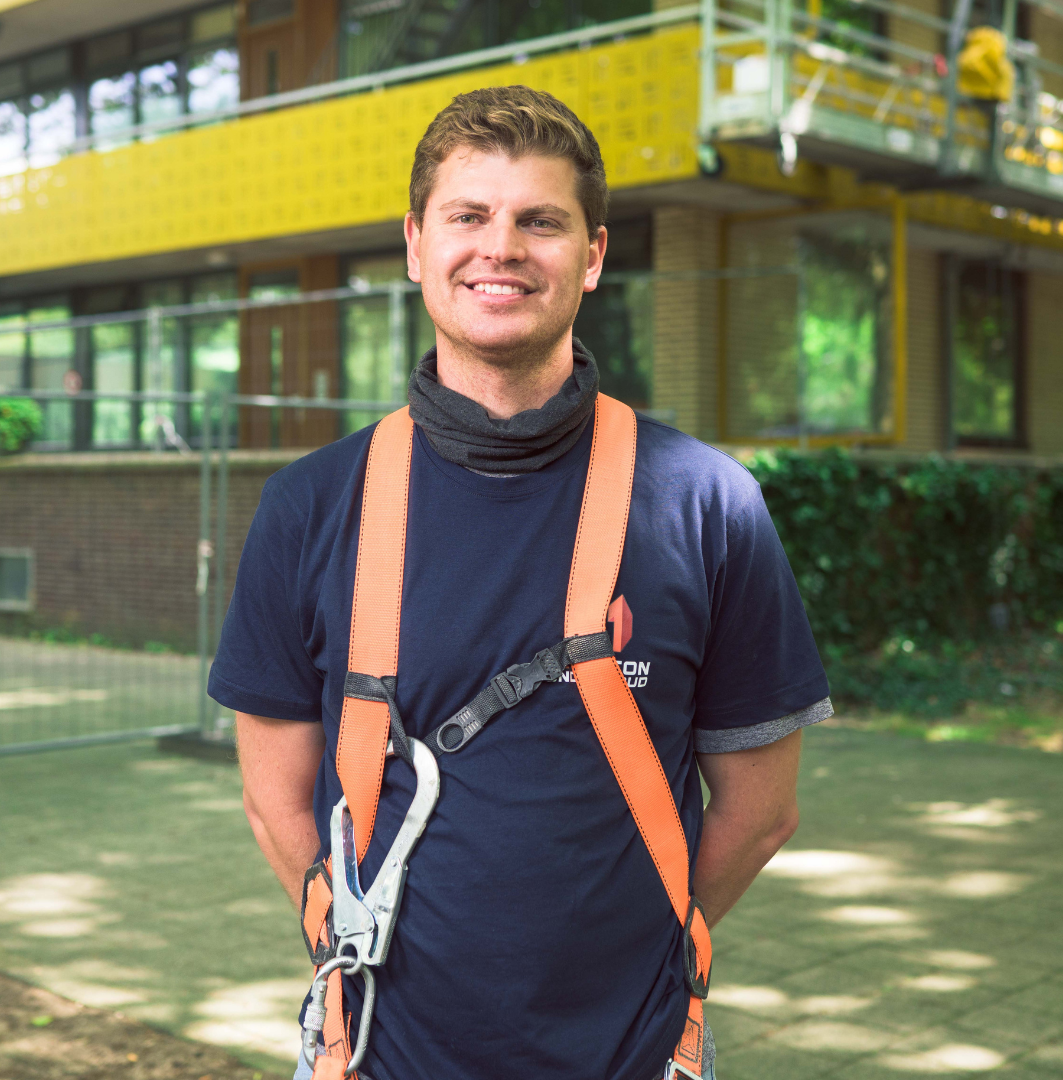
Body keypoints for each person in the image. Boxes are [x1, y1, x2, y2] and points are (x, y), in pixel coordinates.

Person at [209, 85, 831, 1080]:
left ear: (591, 258)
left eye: (540, 221)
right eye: (468, 216)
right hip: (377, 1057)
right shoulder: (310, 509)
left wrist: (641, 943)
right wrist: (342, 937)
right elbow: (272, 797)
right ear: (417, 245)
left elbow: (761, 810)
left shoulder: (705, 504)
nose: (500, 246)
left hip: (634, 1057)